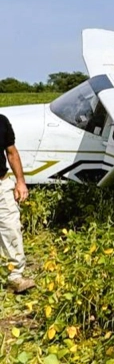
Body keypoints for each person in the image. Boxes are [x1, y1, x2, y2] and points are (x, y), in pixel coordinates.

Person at [0, 115, 32, 293]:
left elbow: (12, 153)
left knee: (11, 227)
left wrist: (20, 181)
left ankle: (15, 277)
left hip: (2, 184)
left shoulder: (2, 121)